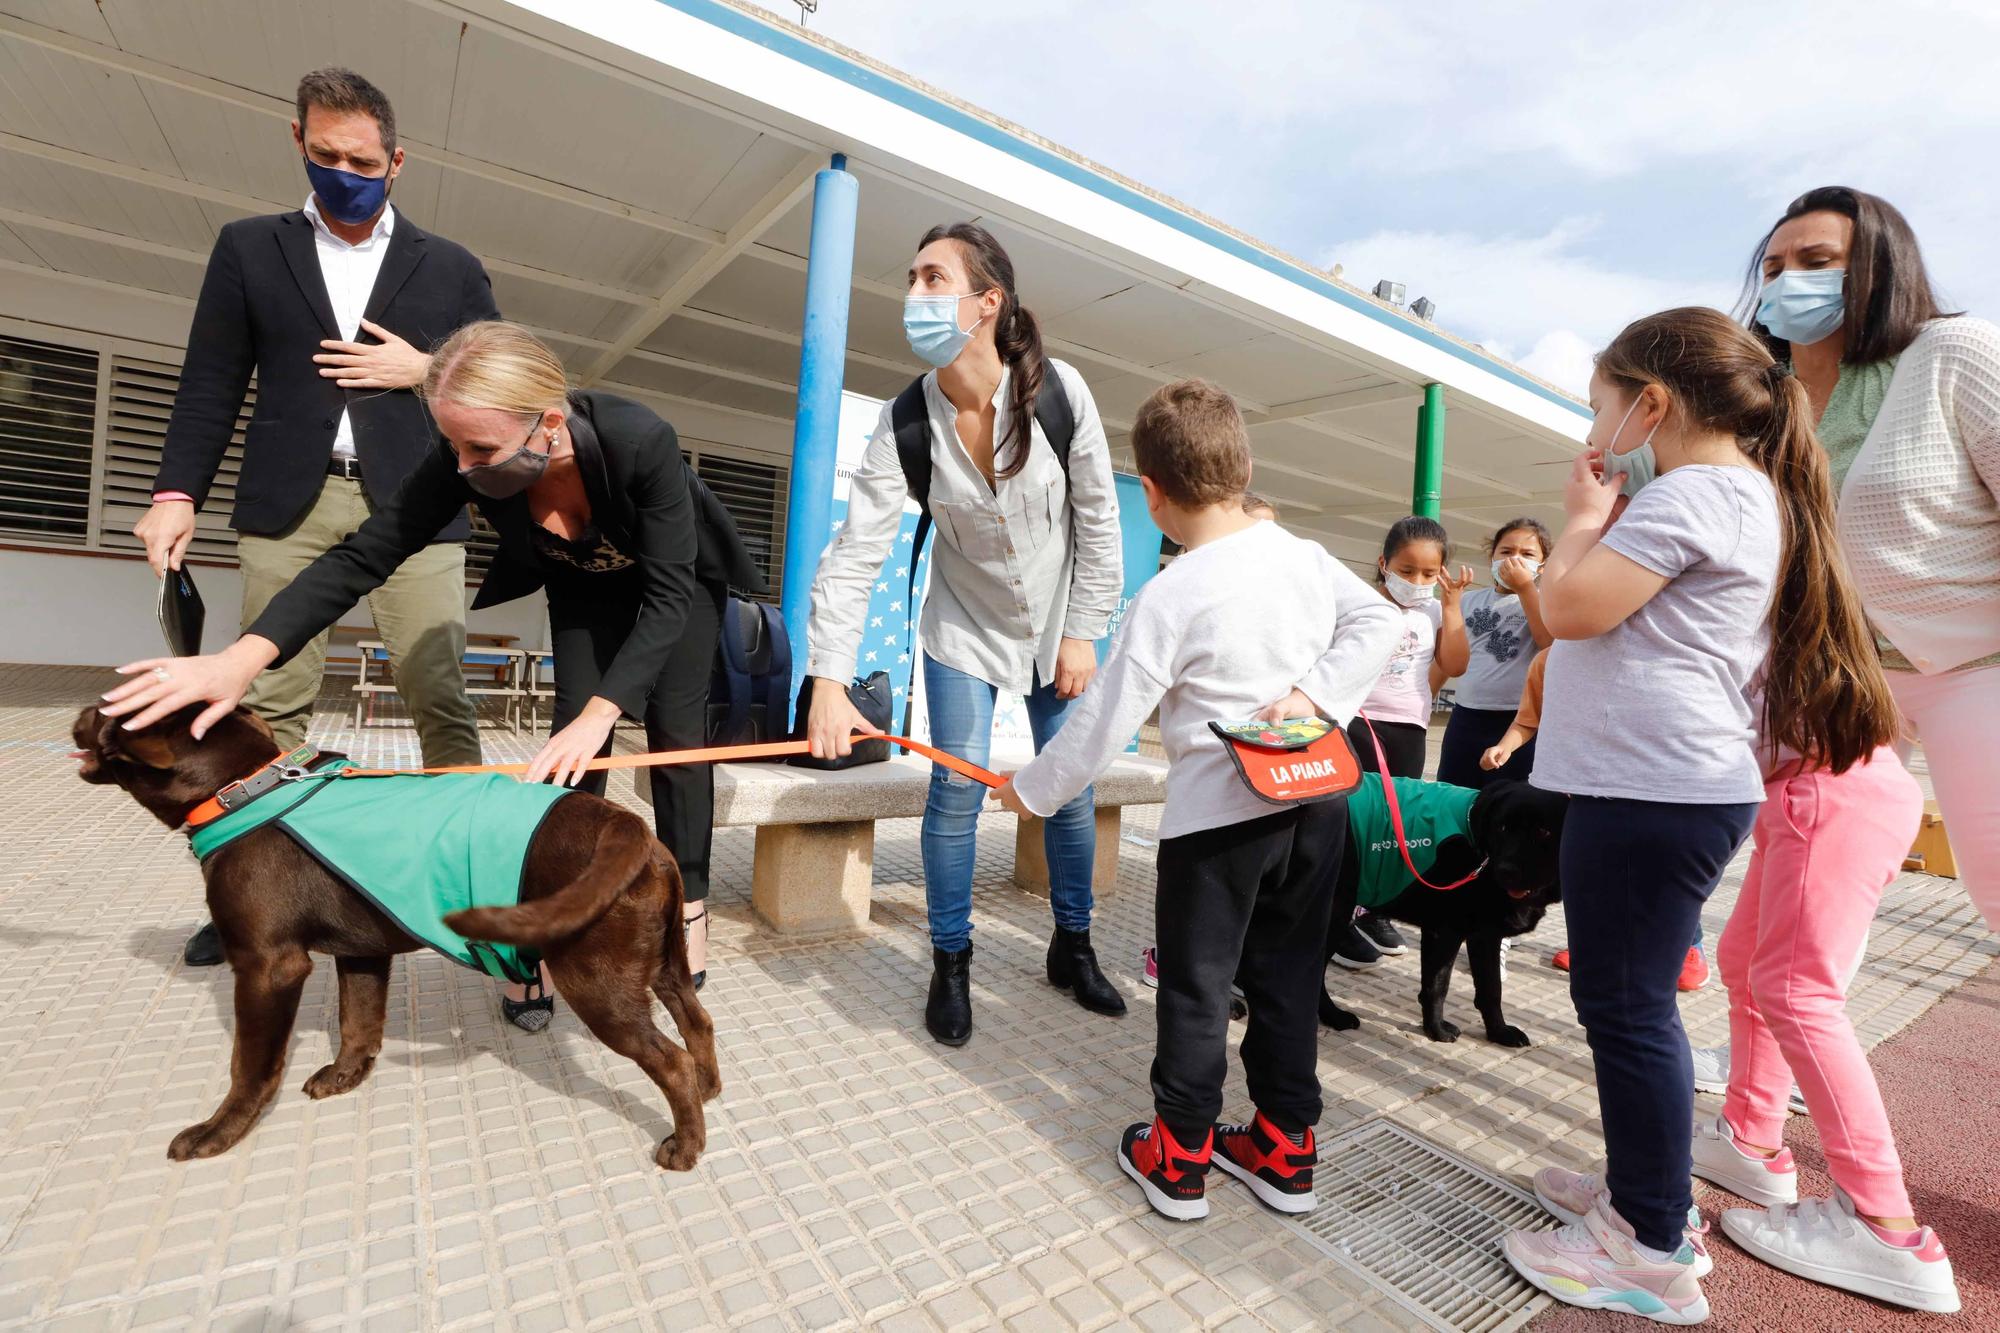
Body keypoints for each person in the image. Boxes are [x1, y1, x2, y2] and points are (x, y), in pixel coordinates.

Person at [100, 322, 764, 1028]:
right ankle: (547, 924)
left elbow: (665, 597)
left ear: (548, 423)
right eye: (452, 444)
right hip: (582, 580)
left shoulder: (640, 438)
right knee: (569, 744)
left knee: (674, 728)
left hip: (678, 585)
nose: (463, 464)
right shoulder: (464, 460)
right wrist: (241, 658)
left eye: (479, 448)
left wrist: (606, 710)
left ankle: (688, 903)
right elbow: (364, 556)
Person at [991, 379, 1400, 1221]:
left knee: (1197, 985)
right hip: (1319, 806)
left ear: (1154, 494)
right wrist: (1317, 698)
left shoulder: (1170, 594)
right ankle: (1285, 1150)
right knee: (1289, 978)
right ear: (1243, 465)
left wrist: (1031, 790)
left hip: (1219, 825)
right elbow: (1385, 627)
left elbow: (1105, 718)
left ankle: (1178, 1155)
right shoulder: (1306, 557)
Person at [136, 68, 498, 969]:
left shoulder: (450, 266)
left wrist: (425, 369)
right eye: (327, 154)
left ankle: (475, 891)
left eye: (363, 159)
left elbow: (496, 374)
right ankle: (253, 896)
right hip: (285, 502)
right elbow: (211, 379)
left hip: (414, 504)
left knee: (439, 694)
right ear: (298, 142)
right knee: (268, 704)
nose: (344, 170)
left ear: (397, 161)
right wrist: (174, 492)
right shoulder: (250, 248)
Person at [1502, 307, 1812, 1324]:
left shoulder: (1695, 493)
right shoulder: (1727, 494)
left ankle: (1646, 1244)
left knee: (1624, 1007)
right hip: (1658, 788)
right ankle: (1647, 1198)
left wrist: (1582, 518)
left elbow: (1568, 610)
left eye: (1599, 405)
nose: (1592, 430)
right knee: (1630, 1003)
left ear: (1649, 403)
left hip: (1654, 790)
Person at [1689, 185, 2000, 1089]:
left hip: (1974, 664)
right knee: (1806, 885)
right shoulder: (1771, 410)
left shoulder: (1952, 353)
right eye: (1776, 266)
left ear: (1877, 268)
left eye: (1818, 262)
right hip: (1846, 678)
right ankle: (1767, 1087)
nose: (1791, 280)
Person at [801, 223, 1124, 1046]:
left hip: (1059, 628)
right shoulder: (906, 421)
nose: (913, 294)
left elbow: (1100, 521)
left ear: (988, 302)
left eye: (932, 277)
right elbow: (855, 552)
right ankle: (951, 960)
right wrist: (828, 681)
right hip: (962, 626)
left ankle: (1073, 943)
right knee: (955, 791)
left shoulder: (1060, 393)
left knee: (1071, 787)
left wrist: (1085, 631)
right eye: (909, 276)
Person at [1702, 716, 1959, 1308]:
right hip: (1806, 787)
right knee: (1744, 962)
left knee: (1799, 994)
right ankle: (1751, 1136)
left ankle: (1883, 1221)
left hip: (1828, 788)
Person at [1139, 491, 1277, 992]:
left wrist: (1310, 694)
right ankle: (1170, 956)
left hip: (1276, 788)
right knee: (1195, 917)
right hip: (1208, 793)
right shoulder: (1180, 591)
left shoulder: (1285, 598)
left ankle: (1236, 967)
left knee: (1253, 900)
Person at [1334, 516, 1471, 970]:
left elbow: (1455, 663)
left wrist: (1451, 607)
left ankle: (1371, 910)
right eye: (1407, 570)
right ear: (1384, 563)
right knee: (1351, 820)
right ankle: (1337, 915)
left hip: (1409, 726)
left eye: (1429, 574)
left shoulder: (1435, 610)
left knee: (1395, 826)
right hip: (1358, 721)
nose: (1417, 582)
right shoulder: (1359, 605)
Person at [1437, 519, 1552, 787]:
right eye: (1506, 551)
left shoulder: (1544, 601)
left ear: (1542, 565)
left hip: (1518, 722)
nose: (1515, 559)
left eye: (1528, 554)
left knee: (1510, 798)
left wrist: (1525, 589)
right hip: (1467, 714)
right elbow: (1447, 660)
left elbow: (1547, 641)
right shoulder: (1468, 600)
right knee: (1454, 791)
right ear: (1492, 557)